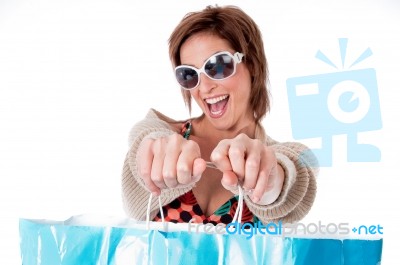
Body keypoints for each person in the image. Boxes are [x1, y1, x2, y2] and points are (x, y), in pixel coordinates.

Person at [121, 5, 318, 225]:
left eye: (218, 66)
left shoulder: (285, 158)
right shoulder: (164, 136)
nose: (204, 88)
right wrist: (153, 147)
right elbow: (146, 137)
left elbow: (293, 176)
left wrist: (270, 181)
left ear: (251, 63)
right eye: (189, 74)